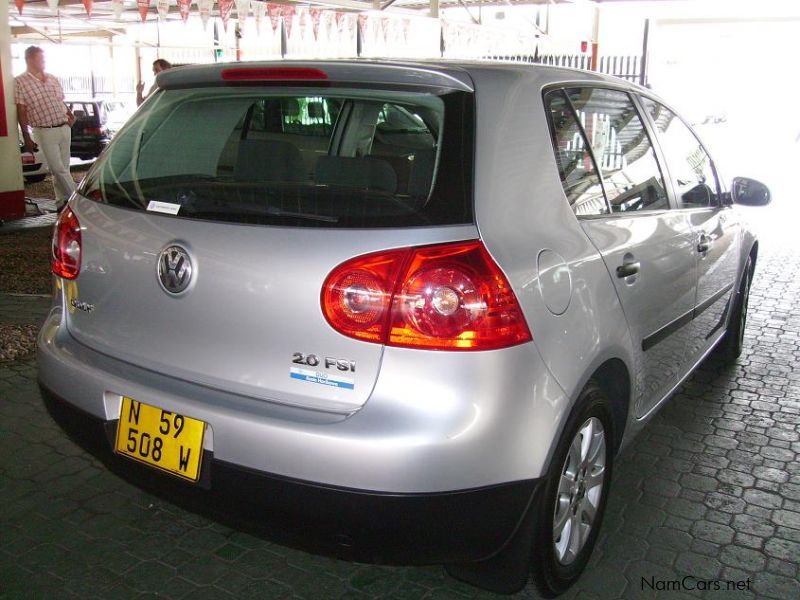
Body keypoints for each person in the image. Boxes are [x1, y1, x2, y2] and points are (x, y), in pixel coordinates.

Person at [15, 46, 76, 211]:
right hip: (44, 130)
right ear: (29, 60)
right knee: (57, 168)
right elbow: (21, 110)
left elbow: (60, 101)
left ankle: (61, 202)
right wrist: (26, 137)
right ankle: (78, 201)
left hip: (64, 127)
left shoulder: (52, 78)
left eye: (44, 59)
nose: (44, 62)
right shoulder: (20, 81)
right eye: (40, 59)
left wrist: (70, 115)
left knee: (63, 169)